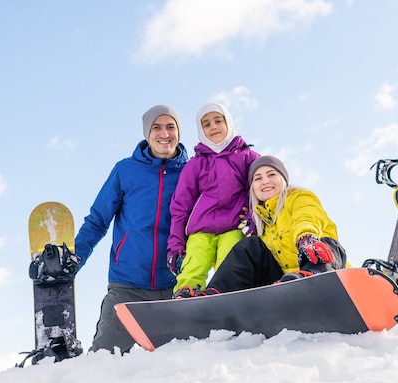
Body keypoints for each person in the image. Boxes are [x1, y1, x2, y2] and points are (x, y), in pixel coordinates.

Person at [74, 104, 189, 353]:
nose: (164, 134)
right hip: (127, 287)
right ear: (147, 133)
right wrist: (75, 257)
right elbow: (97, 219)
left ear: (179, 132)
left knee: (179, 368)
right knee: (103, 359)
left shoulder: (192, 172)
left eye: (171, 127)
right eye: (157, 127)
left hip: (176, 287)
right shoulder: (126, 170)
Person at [177, 155, 348, 296]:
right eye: (258, 178)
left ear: (283, 179)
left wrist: (306, 237)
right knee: (249, 246)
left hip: (326, 272)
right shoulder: (259, 224)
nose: (265, 181)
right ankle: (216, 294)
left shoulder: (298, 197)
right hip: (285, 283)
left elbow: (307, 215)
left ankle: (314, 278)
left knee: (327, 244)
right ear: (253, 188)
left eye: (271, 174)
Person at [167, 102, 260, 294]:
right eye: (207, 124)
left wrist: (253, 218)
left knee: (231, 260)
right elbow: (180, 207)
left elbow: (259, 190)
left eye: (218, 121)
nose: (213, 127)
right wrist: (176, 245)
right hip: (200, 229)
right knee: (195, 260)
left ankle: (229, 294)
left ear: (228, 123)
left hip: (235, 227)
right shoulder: (195, 164)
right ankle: (186, 293)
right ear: (201, 130)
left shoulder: (247, 157)